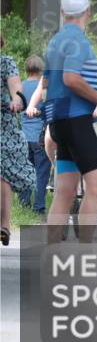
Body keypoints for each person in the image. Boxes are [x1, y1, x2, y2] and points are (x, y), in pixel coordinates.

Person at [41, 0, 97, 243]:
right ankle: (85, 253)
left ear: (63, 13)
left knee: (64, 190)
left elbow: (50, 81)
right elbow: (71, 79)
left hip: (58, 121)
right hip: (76, 120)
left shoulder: (55, 41)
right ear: (89, 12)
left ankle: (52, 252)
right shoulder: (79, 42)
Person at [1, 41, 36, 246]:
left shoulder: (5, 62)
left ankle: (4, 226)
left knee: (2, 172)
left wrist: (16, 100)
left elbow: (15, 86)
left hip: (3, 124)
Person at [21, 55, 51, 214]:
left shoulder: (19, 86)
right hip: (41, 137)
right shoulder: (44, 87)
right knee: (41, 173)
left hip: (23, 137)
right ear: (41, 69)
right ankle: (38, 208)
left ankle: (23, 205)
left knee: (25, 171)